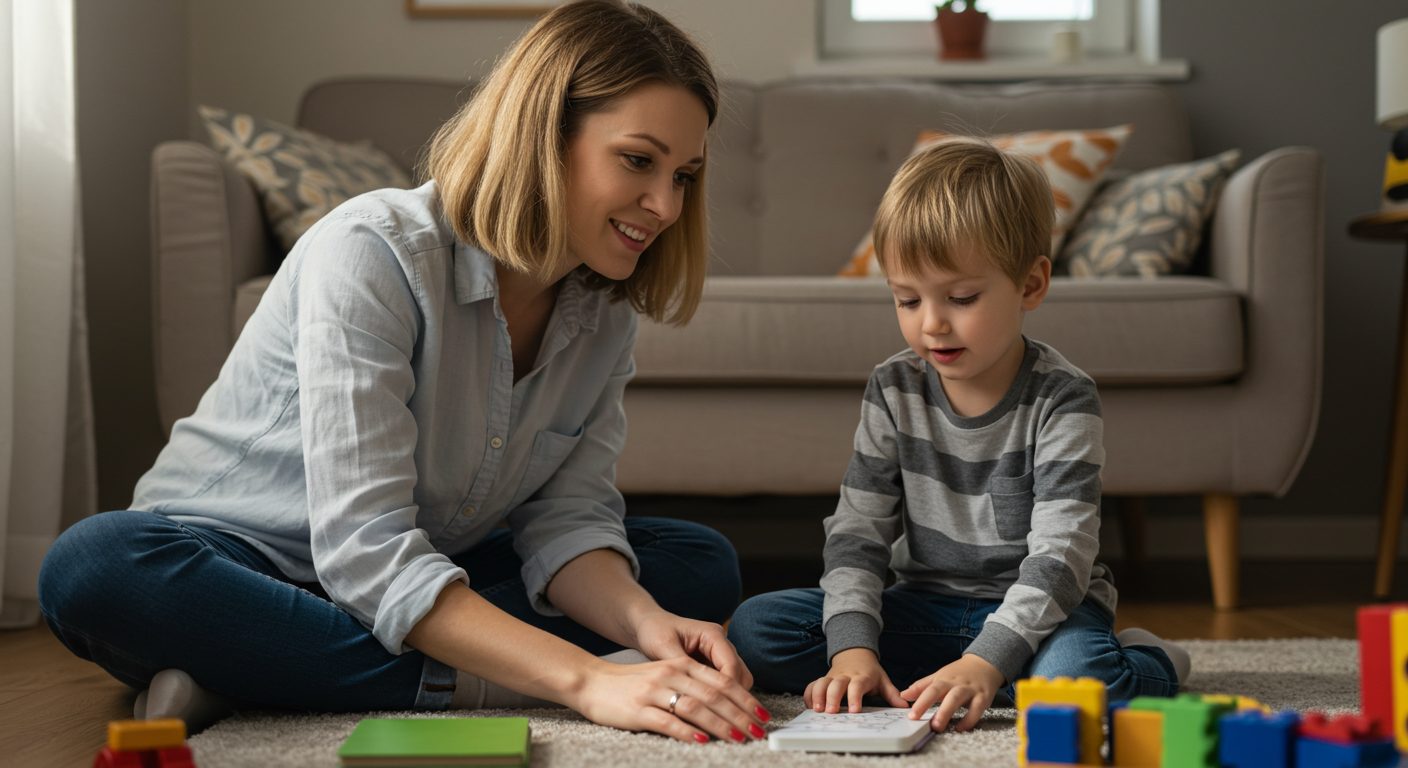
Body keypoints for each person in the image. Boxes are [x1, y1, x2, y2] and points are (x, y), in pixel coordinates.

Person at [38, 0, 772, 746]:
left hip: (418, 563)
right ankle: (474, 674)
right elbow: (364, 545)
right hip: (243, 560)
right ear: (542, 138)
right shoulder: (374, 250)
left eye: (685, 175)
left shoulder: (602, 314)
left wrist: (649, 631)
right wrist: (585, 680)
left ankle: (254, 667)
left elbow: (567, 518)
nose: (665, 205)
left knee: (694, 565)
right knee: (93, 567)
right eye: (638, 160)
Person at [726, 137, 1189, 733]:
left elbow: (1062, 555)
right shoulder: (893, 388)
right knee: (757, 629)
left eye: (961, 297)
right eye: (907, 299)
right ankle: (951, 672)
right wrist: (851, 651)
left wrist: (987, 659)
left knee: (1076, 686)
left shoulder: (1063, 396)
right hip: (927, 609)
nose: (932, 323)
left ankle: (1151, 659)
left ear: (1030, 285)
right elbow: (857, 533)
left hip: (1045, 611)